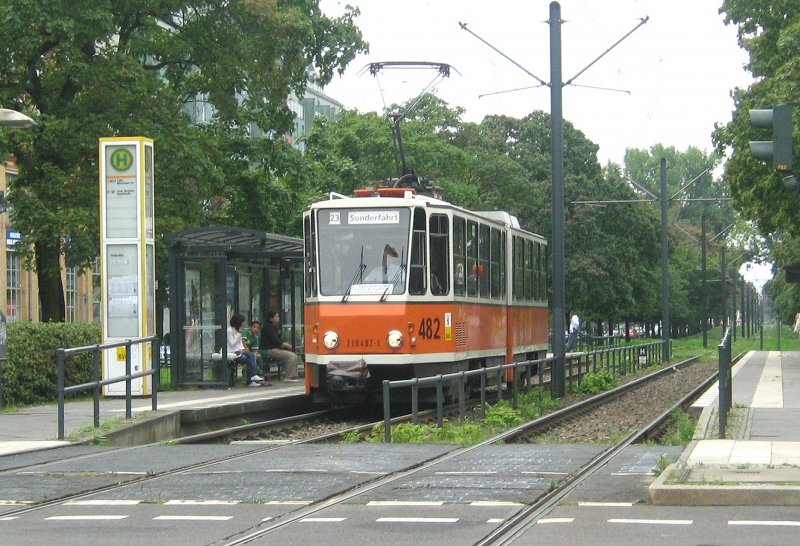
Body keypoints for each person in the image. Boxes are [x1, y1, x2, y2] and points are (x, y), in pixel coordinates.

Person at [228, 313, 269, 387]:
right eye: (241, 323)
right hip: (231, 351)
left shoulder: (238, 331)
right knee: (249, 358)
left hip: (239, 351)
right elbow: (232, 344)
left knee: (252, 355)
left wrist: (242, 349)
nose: (242, 325)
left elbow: (239, 344)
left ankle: (252, 378)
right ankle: (252, 377)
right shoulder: (229, 331)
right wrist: (239, 334)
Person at [261, 309, 301, 382]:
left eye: (278, 316)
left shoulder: (275, 327)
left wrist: (285, 343)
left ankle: (294, 375)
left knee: (293, 355)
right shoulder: (268, 327)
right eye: (276, 317)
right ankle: (289, 376)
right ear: (271, 318)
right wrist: (283, 344)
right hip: (268, 350)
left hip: (274, 349)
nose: (278, 318)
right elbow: (274, 339)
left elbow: (279, 339)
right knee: (291, 356)